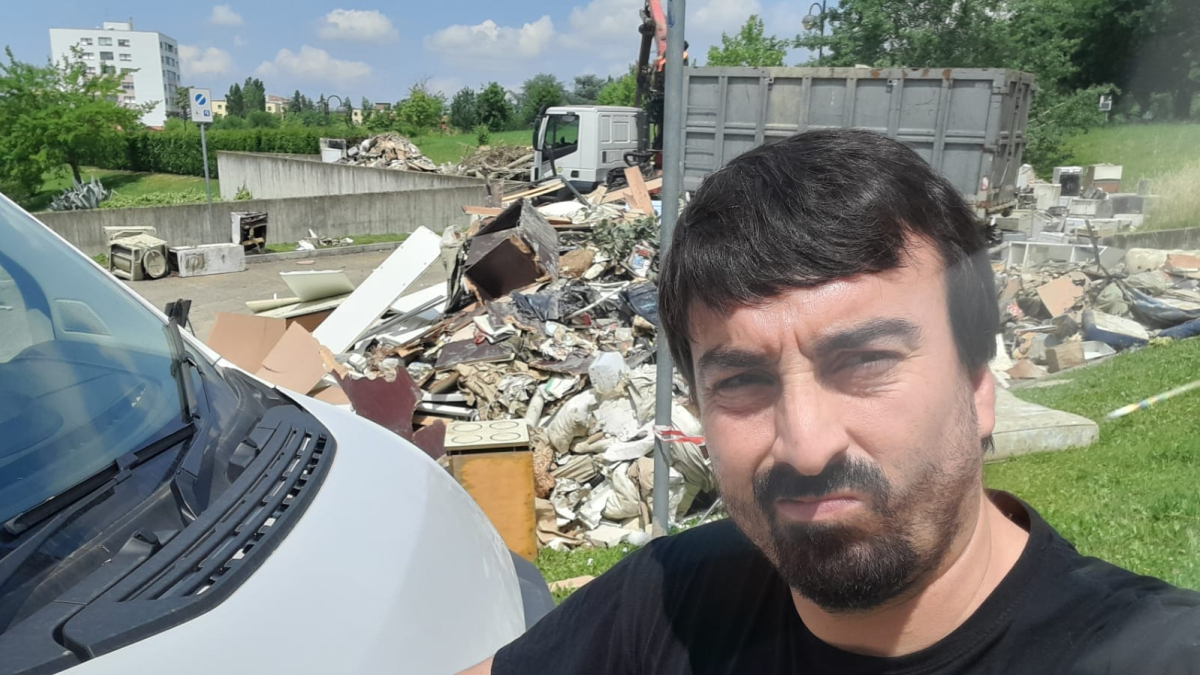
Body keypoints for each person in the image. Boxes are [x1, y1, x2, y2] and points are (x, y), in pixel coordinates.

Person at [456, 129, 1200, 675]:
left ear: (980, 385)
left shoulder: (1146, 653)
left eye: (867, 362)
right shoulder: (669, 600)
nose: (806, 445)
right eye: (742, 381)